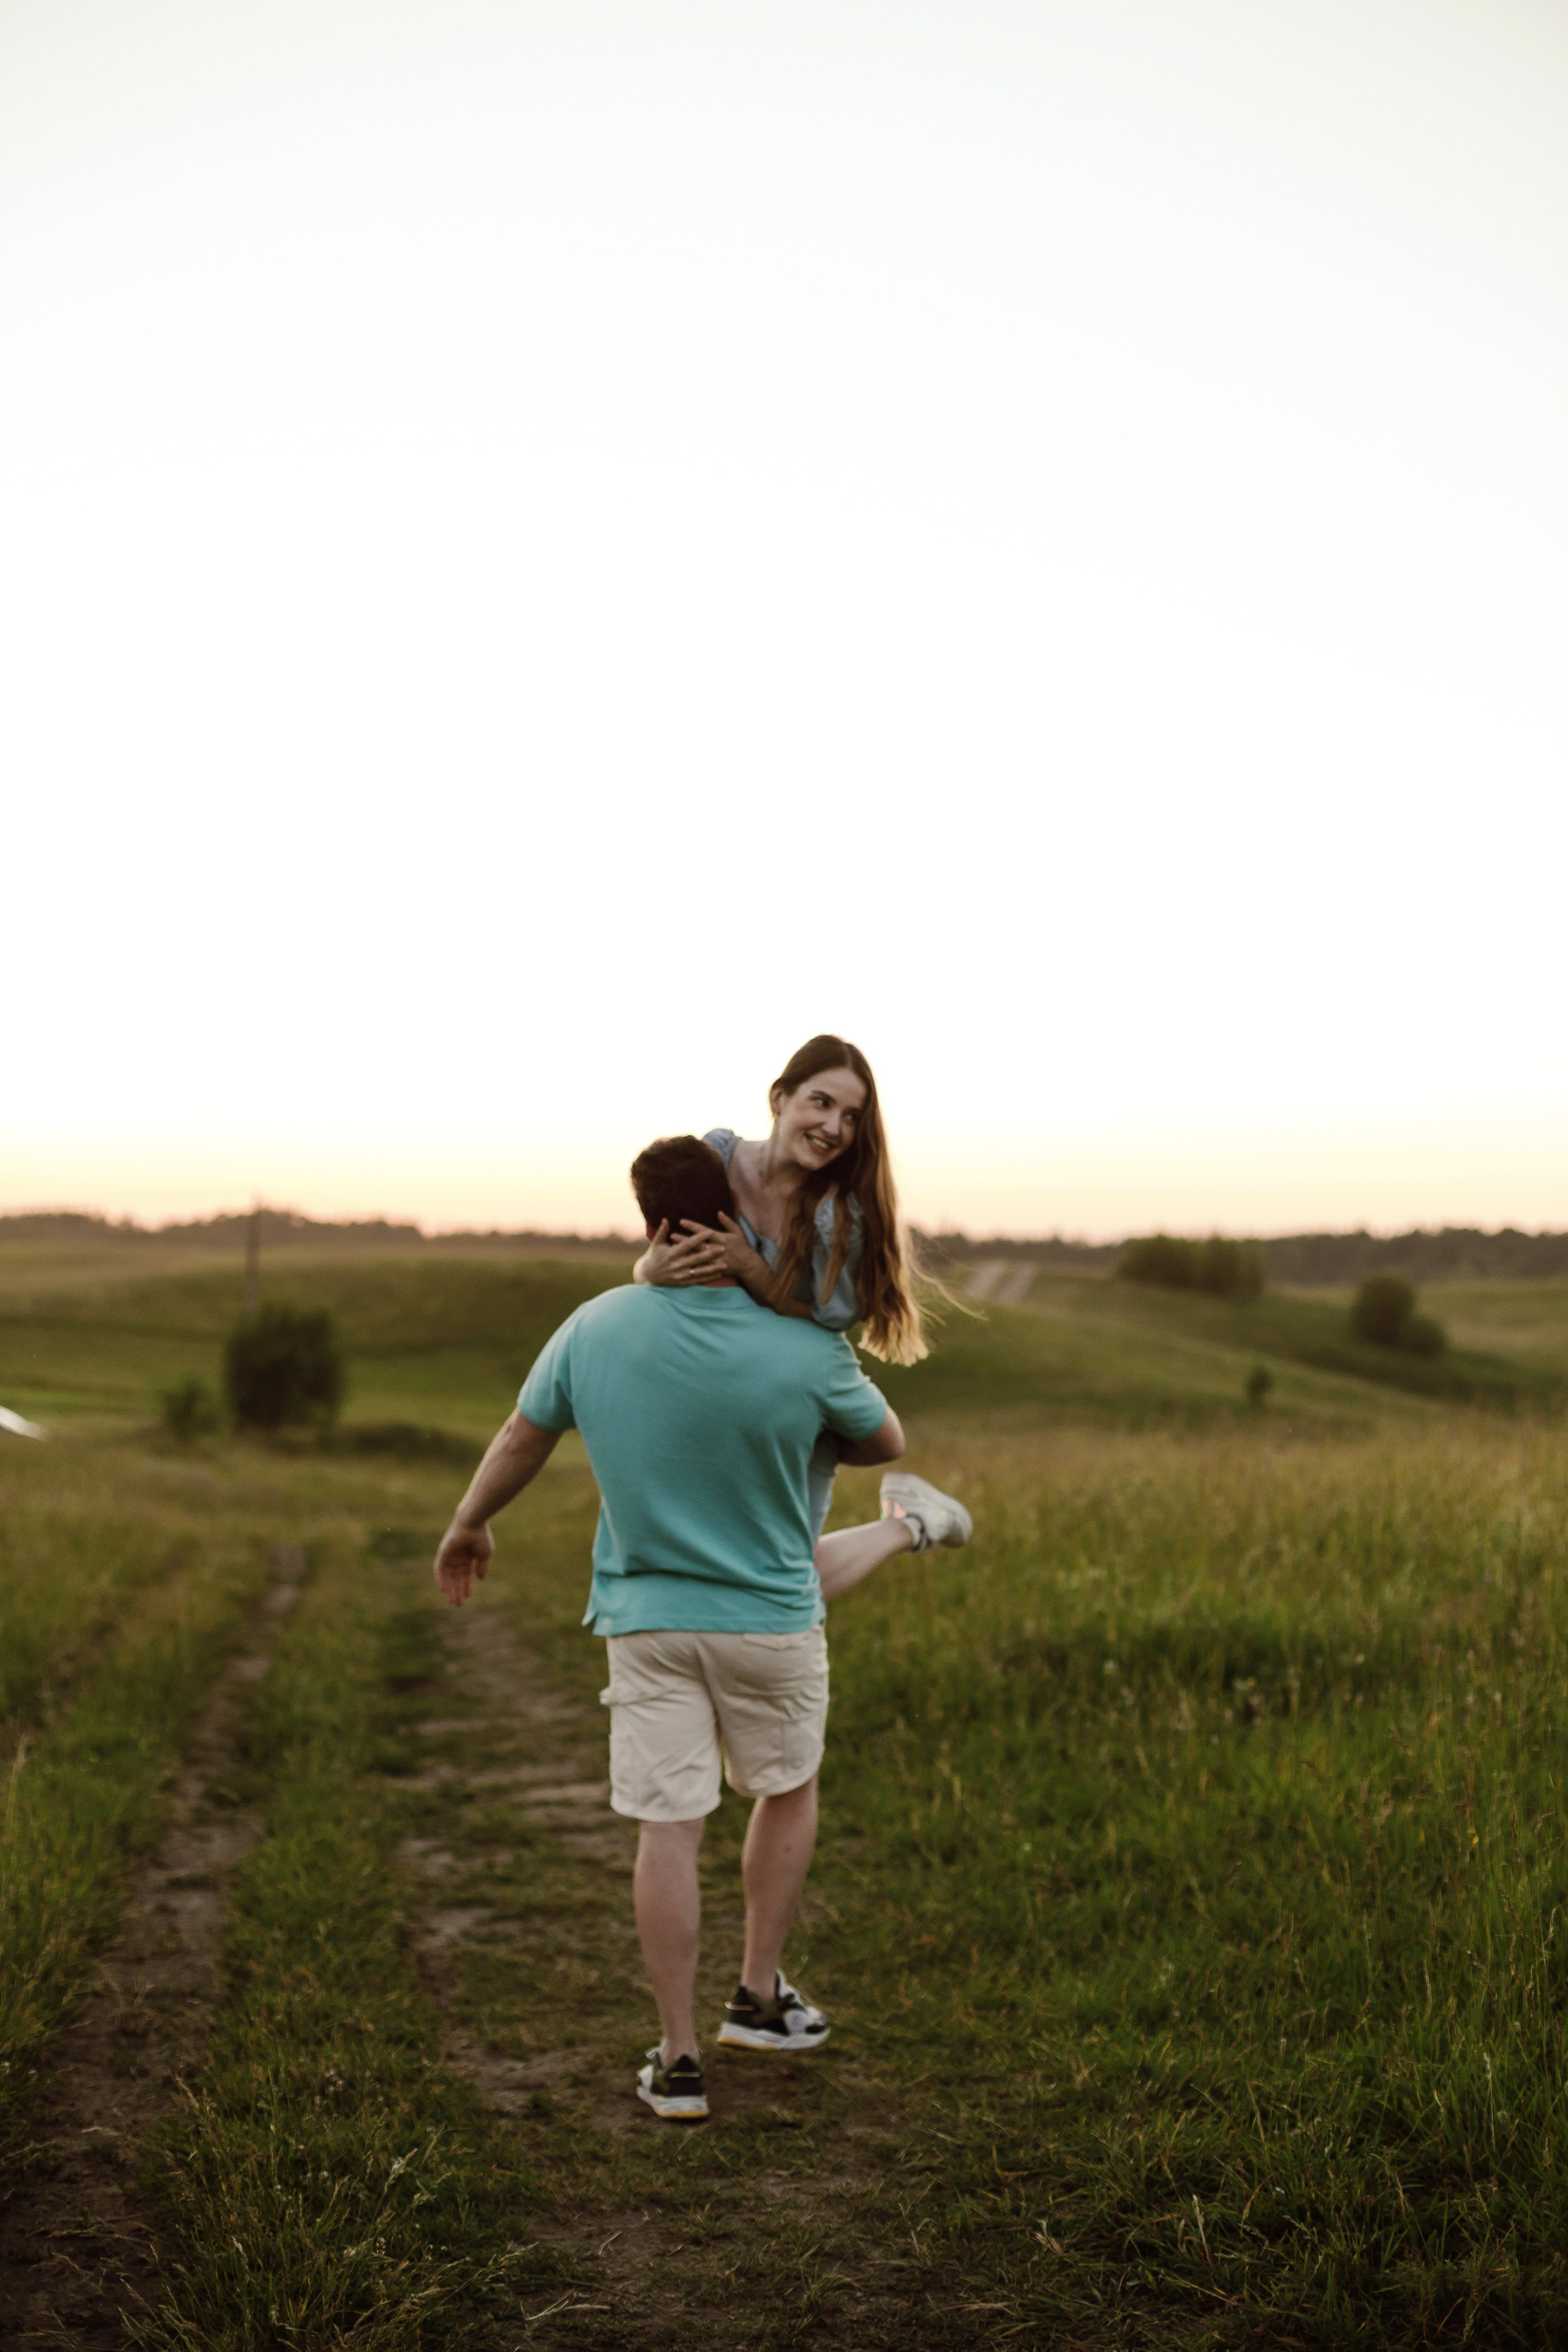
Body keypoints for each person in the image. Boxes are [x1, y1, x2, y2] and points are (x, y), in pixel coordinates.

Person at [431, 1133, 910, 2123]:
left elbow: (524, 1435)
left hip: (646, 1622)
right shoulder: (805, 1346)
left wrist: (469, 1522)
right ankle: (759, 1995)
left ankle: (681, 2060)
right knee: (788, 1787)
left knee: (669, 1828)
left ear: (651, 1226)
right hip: (772, 1620)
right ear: (733, 1218)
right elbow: (885, 1440)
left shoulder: (593, 1328)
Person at [634, 1033, 971, 1593]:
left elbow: (825, 1320)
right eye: (821, 1102)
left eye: (852, 1116)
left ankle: (907, 1526)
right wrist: (646, 1273)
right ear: (780, 1098)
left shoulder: (839, 1217)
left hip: (794, 1392)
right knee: (717, 1560)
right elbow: (662, 1251)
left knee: (786, 1574)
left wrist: (751, 1267)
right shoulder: (716, 1156)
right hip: (714, 1382)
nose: (835, 1127)